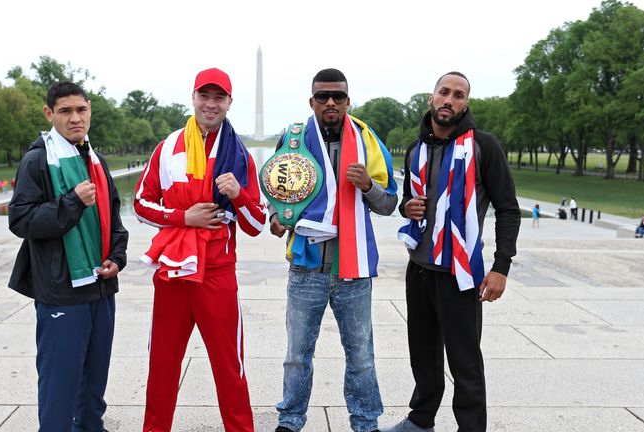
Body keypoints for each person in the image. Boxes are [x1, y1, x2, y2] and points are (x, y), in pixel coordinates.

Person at [133, 68, 266, 432]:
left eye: (218, 97)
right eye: (204, 96)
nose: (210, 104)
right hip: (173, 272)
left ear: (229, 103)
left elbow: (256, 226)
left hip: (217, 274)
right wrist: (183, 217)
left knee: (229, 367)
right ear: (192, 97)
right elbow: (141, 204)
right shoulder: (168, 146)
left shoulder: (240, 157)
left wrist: (238, 195)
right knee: (161, 365)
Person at [269, 68, 398, 432]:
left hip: (353, 271)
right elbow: (278, 201)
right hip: (306, 269)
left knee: (361, 357)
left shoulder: (368, 140)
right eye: (322, 96)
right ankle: (290, 420)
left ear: (347, 101)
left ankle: (365, 421)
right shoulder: (292, 140)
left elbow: (389, 204)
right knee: (296, 356)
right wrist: (277, 220)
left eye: (337, 97)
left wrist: (369, 185)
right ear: (311, 101)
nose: (330, 103)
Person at [391, 72, 520, 432]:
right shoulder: (416, 149)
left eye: (458, 95)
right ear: (431, 98)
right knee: (423, 354)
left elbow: (508, 209)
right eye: (443, 92)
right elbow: (407, 200)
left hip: (459, 271)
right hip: (419, 266)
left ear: (466, 104)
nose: (449, 100)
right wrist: (407, 208)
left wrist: (500, 267)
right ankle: (420, 419)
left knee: (465, 362)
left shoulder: (483, 146)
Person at [8, 81, 129, 431]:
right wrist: (72, 202)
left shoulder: (95, 159)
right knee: (59, 387)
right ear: (50, 114)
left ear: (89, 110)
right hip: (63, 289)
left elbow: (115, 220)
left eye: (81, 109)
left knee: (94, 385)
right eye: (65, 111)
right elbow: (21, 220)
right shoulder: (37, 160)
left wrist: (117, 259)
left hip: (101, 286)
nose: (75, 118)